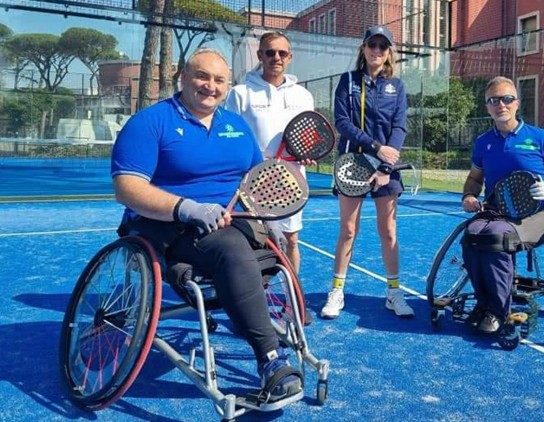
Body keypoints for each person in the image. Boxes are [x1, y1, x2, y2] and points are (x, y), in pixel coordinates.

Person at [110, 48, 303, 408]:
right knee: (231, 249)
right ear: (183, 78)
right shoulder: (150, 123)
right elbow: (127, 188)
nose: (209, 86)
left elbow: (255, 179)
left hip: (230, 222)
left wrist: (265, 219)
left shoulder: (235, 125)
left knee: (267, 249)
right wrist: (187, 208)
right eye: (202, 76)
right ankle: (271, 359)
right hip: (167, 227)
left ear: (227, 86)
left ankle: (246, 309)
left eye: (218, 80)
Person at [460, 76, 544, 338]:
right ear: (487, 107)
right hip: (496, 211)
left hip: (536, 215)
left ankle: (498, 311)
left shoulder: (539, 137)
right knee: (472, 233)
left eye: (507, 99)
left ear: (517, 104)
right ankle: (485, 302)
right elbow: (475, 178)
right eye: (494, 100)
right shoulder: (483, 142)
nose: (501, 104)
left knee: (496, 235)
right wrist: (468, 196)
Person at [321, 25, 414, 319]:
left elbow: (399, 127)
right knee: (348, 230)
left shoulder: (396, 87)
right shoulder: (347, 81)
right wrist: (376, 147)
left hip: (387, 169)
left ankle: (394, 293)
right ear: (363, 49)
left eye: (382, 46)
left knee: (388, 232)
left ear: (389, 53)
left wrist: (387, 166)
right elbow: (343, 123)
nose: (376, 50)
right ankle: (336, 291)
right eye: (372, 44)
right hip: (352, 165)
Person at [225, 31, 314, 276]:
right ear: (260, 55)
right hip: (254, 181)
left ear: (290, 57)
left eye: (282, 53)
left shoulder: (303, 96)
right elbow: (231, 135)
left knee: (291, 240)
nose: (276, 57)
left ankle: (292, 298)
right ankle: (259, 295)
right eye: (270, 52)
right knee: (258, 241)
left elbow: (306, 136)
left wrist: (306, 153)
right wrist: (254, 159)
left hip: (291, 180)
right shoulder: (240, 93)